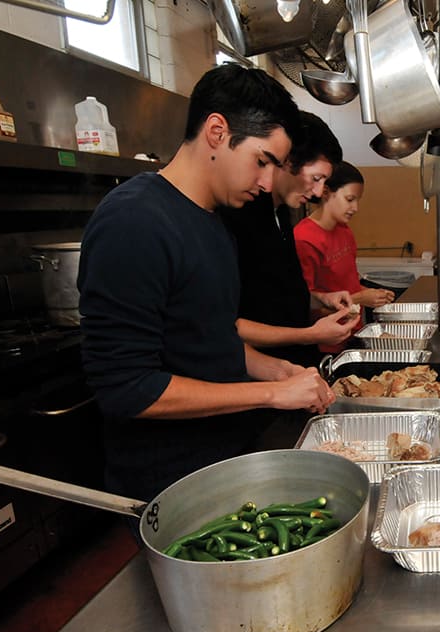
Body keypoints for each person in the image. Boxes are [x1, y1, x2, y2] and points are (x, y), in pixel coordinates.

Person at [78, 63, 335, 504]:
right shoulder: (134, 220)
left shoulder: (215, 223)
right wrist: (272, 393)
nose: (267, 181)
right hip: (170, 485)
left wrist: (274, 369)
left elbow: (207, 337)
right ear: (217, 131)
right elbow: (128, 389)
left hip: (224, 460)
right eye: (261, 160)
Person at [222, 112, 360, 369]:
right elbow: (230, 324)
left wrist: (321, 299)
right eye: (316, 179)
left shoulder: (282, 213)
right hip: (259, 375)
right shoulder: (239, 216)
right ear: (287, 160)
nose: (319, 192)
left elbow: (278, 294)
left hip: (295, 366)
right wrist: (311, 335)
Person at [293, 161, 395, 351]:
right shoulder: (304, 239)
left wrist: (374, 295)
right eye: (350, 199)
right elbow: (305, 307)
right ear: (325, 193)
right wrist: (359, 298)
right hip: (326, 344)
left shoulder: (343, 230)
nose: (355, 207)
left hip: (352, 335)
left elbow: (346, 282)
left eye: (358, 200)